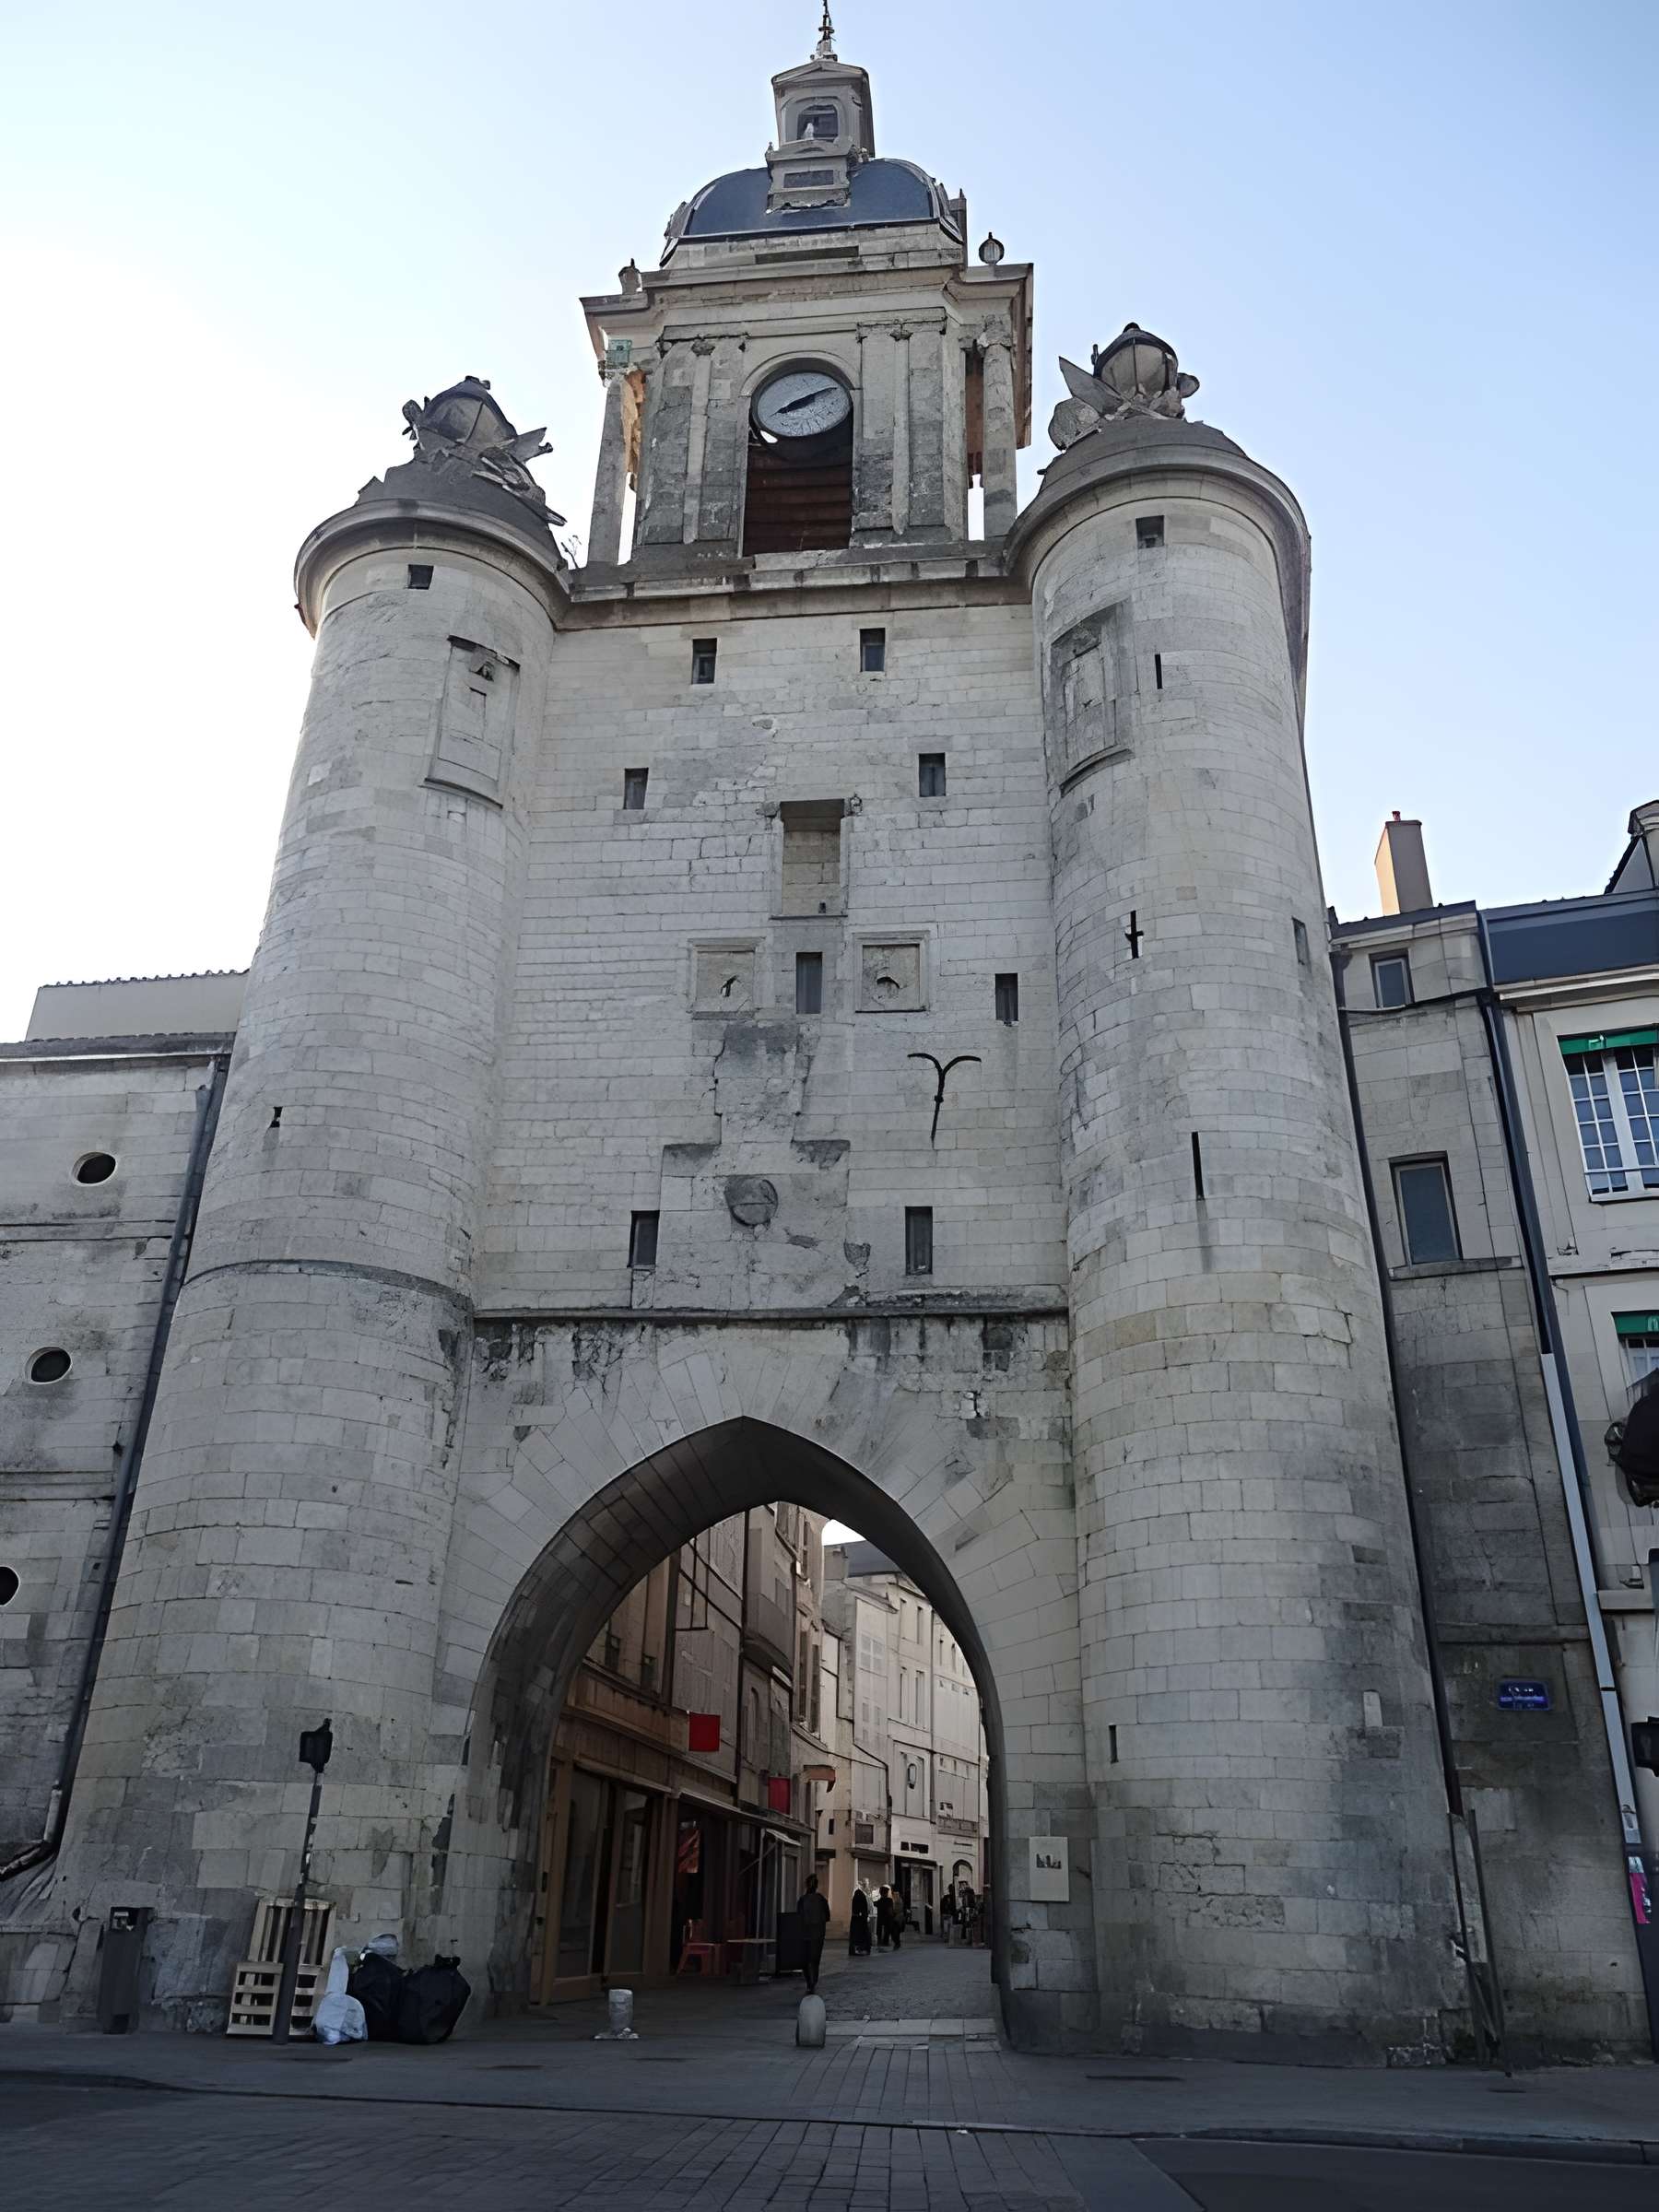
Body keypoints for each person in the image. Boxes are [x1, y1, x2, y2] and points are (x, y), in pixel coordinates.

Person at [797, 1874, 830, 1994]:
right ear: (816, 1886)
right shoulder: (821, 1899)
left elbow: (798, 1917)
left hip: (805, 1934)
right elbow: (827, 1916)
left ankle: (809, 1982)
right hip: (818, 1934)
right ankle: (813, 1982)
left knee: (806, 1959)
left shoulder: (802, 1900)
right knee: (815, 1959)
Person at [848, 1886, 872, 1958]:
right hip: (861, 1920)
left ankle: (855, 1949)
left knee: (855, 1936)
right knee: (863, 1935)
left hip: (856, 1919)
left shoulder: (855, 1899)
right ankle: (863, 1948)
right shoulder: (862, 1898)